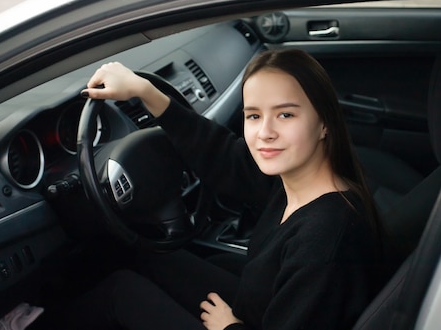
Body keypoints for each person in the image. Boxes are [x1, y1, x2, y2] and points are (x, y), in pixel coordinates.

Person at [64, 48, 382, 330]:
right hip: (259, 307)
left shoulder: (325, 242)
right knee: (148, 258)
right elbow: (222, 155)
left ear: (324, 122)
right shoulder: (298, 179)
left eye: (285, 114)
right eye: (254, 115)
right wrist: (145, 91)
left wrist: (228, 326)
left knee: (122, 294)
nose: (265, 133)